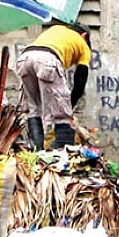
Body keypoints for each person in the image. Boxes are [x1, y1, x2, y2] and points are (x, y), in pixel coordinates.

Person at [16, 22, 92, 150]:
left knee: (33, 108)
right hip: (48, 58)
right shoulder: (82, 44)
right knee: (61, 114)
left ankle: (37, 150)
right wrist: (69, 106)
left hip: (25, 58)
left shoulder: (56, 29)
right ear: (84, 35)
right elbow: (80, 80)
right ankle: (62, 150)